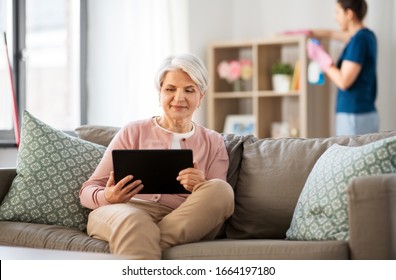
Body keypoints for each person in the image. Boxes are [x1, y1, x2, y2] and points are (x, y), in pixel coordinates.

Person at [79, 53, 234, 259]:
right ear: (159, 93)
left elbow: (217, 201)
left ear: (201, 97)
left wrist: (201, 184)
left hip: (181, 218)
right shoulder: (132, 132)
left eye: (189, 90)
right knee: (135, 221)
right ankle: (141, 237)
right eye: (170, 89)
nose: (179, 98)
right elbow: (87, 191)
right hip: (124, 212)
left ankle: (141, 240)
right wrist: (108, 196)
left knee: (221, 190)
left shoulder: (213, 141)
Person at [307, 0, 378, 136]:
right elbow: (332, 34)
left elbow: (344, 81)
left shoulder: (359, 40)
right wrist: (307, 33)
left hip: (355, 115)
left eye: (338, 13)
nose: (335, 18)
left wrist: (322, 58)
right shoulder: (366, 36)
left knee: (351, 156)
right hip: (360, 113)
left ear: (349, 14)